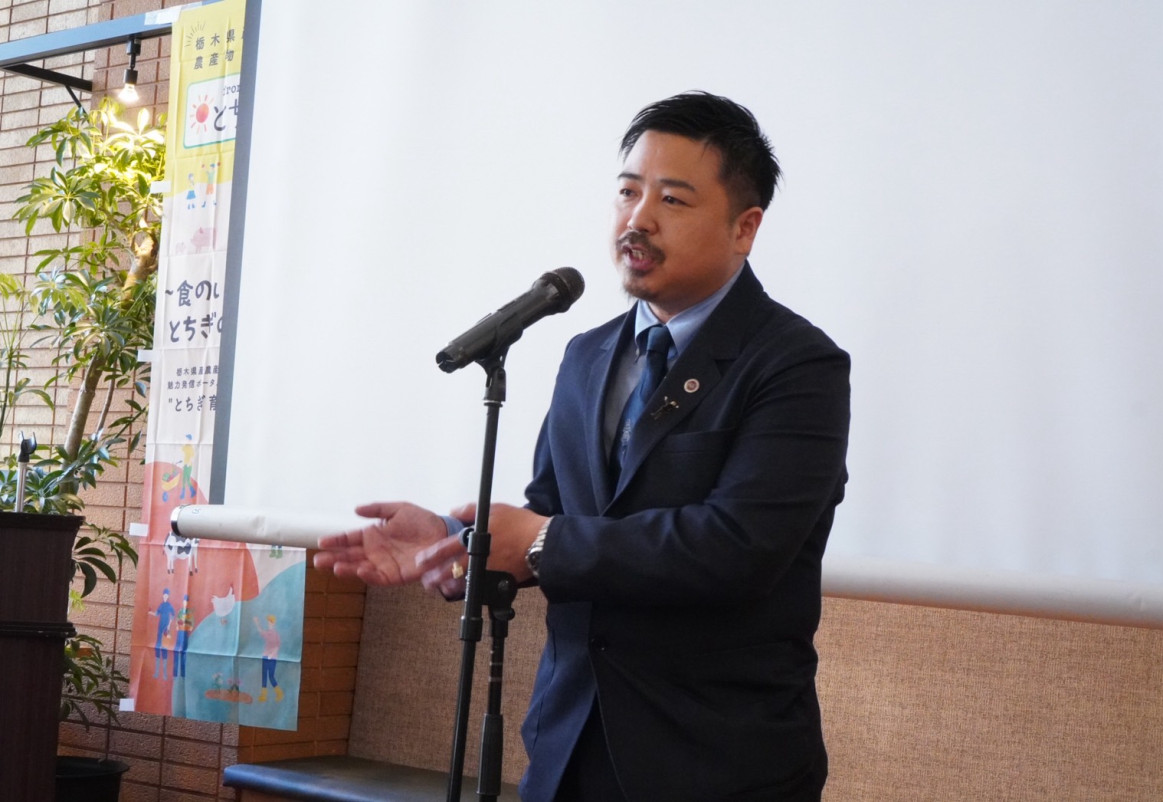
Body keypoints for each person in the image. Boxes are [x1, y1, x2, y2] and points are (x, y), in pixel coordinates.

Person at [314, 91, 850, 802]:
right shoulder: (586, 355)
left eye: (672, 200)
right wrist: (457, 543)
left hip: (714, 761)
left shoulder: (796, 365)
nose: (637, 219)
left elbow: (736, 549)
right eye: (627, 192)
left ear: (744, 227)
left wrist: (540, 541)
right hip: (568, 748)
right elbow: (551, 513)